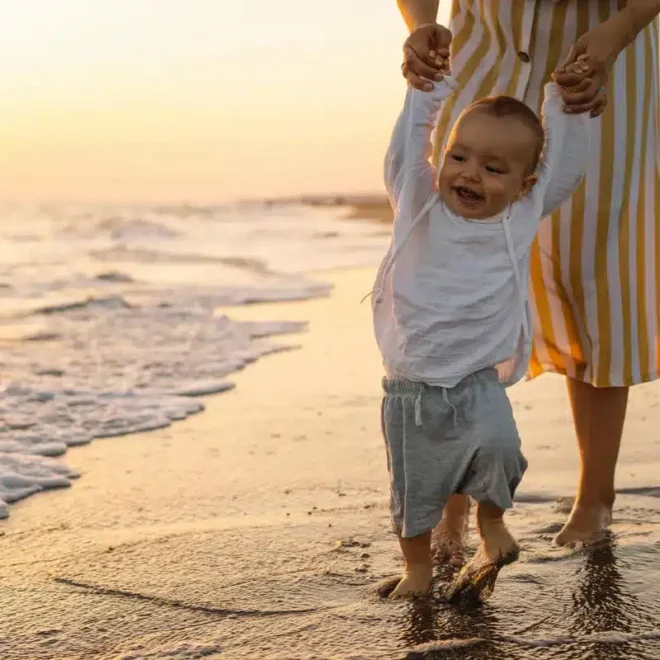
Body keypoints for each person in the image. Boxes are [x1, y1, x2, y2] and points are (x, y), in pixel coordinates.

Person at [396, 0, 660, 556]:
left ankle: (594, 498)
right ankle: (453, 508)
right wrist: (421, 22)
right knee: (452, 248)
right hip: (485, 44)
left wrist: (622, 27)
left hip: (609, 45)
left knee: (599, 265)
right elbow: (408, 165)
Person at [373, 50, 593, 597]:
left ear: (523, 185)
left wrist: (565, 107)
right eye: (460, 157)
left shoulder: (519, 216)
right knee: (415, 489)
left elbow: (564, 166)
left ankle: (490, 526)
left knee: (499, 453)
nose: (470, 174)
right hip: (412, 388)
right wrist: (426, 93)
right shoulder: (418, 200)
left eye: (494, 169)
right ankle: (417, 572)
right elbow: (405, 151)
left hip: (477, 381)